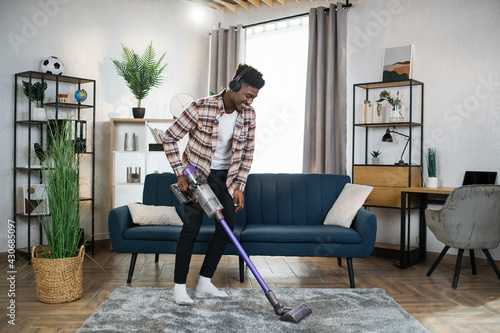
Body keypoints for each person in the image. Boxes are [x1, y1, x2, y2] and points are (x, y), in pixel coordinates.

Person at [163, 64, 265, 305]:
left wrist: (239, 185)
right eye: (248, 95)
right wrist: (180, 172)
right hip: (196, 177)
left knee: (226, 228)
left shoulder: (249, 115)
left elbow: (247, 153)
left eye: (254, 98)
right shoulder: (200, 107)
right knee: (191, 228)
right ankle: (179, 288)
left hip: (226, 179)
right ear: (235, 86)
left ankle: (204, 281)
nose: (250, 102)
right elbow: (169, 137)